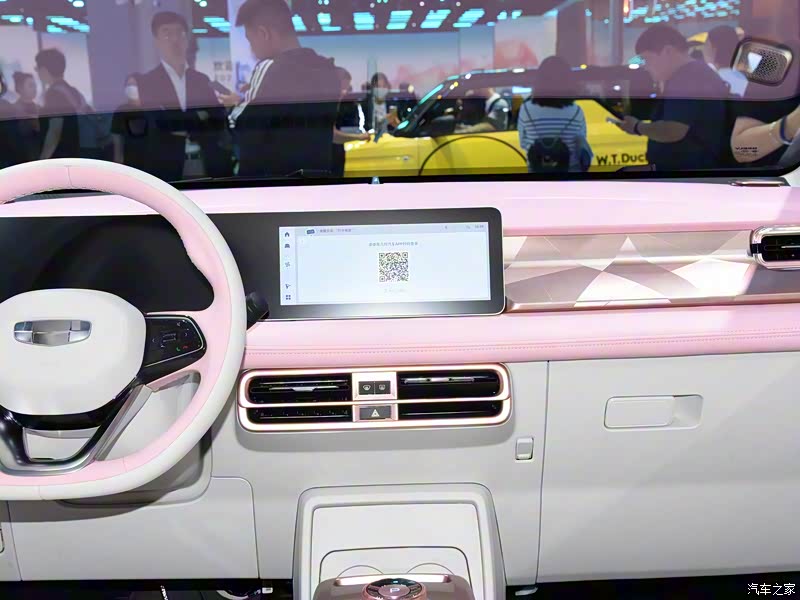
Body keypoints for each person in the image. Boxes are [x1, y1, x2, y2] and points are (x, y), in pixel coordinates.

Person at [233, 0, 341, 177]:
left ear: (264, 33)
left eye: (250, 40)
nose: (252, 50)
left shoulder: (270, 68)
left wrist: (237, 104)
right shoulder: (328, 70)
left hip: (273, 182)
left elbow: (245, 129)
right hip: (316, 178)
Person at [613, 24, 729, 172]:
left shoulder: (687, 78)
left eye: (647, 59)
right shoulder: (696, 74)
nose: (646, 67)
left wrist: (637, 127)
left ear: (667, 51)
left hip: (687, 174)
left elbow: (674, 129)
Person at [138, 11, 232, 181]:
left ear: (187, 39)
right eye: (167, 34)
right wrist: (199, 117)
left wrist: (181, 120)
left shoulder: (201, 80)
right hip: (166, 165)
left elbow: (216, 120)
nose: (175, 40)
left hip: (205, 162)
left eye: (180, 33)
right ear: (156, 40)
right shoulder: (147, 82)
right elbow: (160, 122)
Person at [518, 56, 591, 173]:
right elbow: (581, 142)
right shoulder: (577, 111)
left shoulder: (525, 109)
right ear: (568, 81)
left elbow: (523, 143)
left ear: (540, 80)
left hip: (537, 175)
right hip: (570, 175)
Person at [35, 48, 83, 160]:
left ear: (44, 70)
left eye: (37, 69)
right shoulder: (73, 91)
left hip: (59, 156)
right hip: (75, 153)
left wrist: (43, 160)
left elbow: (55, 131)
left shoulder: (54, 94)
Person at [332, 68, 370, 177]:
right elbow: (332, 135)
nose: (345, 92)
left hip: (337, 155)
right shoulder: (328, 105)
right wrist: (359, 137)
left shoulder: (341, 104)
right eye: (344, 88)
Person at [111, 74, 152, 172]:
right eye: (128, 85)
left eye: (134, 85)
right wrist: (118, 163)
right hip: (130, 162)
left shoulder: (151, 108)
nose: (131, 88)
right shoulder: (121, 110)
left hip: (151, 160)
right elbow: (117, 138)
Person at [704, 25, 748, 97]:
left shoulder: (710, 80)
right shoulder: (743, 77)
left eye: (706, 44)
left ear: (713, 48)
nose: (703, 49)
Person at [12, 71, 41, 162]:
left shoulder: (39, 108)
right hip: (23, 155)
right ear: (20, 88)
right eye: (31, 86)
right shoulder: (14, 109)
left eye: (35, 85)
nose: (35, 88)